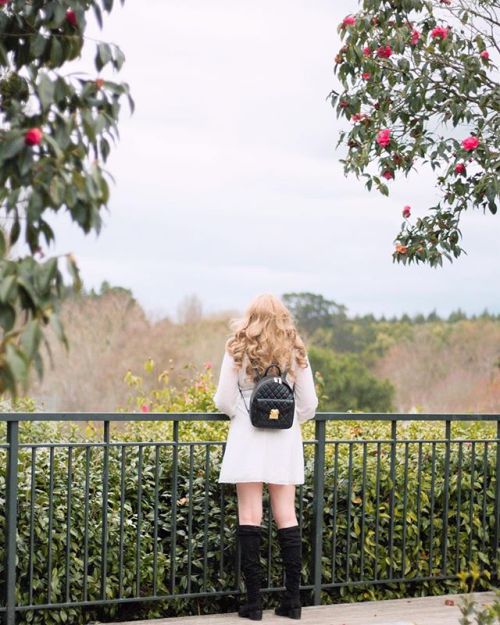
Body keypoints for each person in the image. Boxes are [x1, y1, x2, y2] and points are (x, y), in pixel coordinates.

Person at [213, 293, 319, 621]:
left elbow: (223, 400)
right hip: (284, 440)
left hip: (248, 438)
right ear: (283, 318)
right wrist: (285, 420)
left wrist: (246, 415)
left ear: (252, 317)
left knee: (249, 516)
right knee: (287, 517)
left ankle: (254, 603)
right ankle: (292, 601)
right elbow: (309, 405)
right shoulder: (295, 351)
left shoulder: (238, 349)